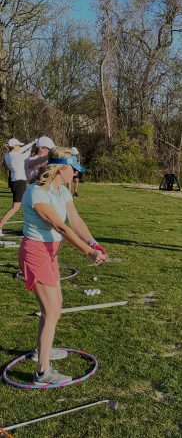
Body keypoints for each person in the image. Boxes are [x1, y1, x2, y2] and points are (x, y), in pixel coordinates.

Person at [19, 147, 108, 385]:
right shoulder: (37, 193)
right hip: (36, 252)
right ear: (61, 168)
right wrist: (88, 253)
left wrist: (94, 243)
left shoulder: (61, 191)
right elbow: (61, 227)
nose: (76, 174)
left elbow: (75, 220)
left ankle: (41, 352)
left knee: (56, 307)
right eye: (73, 169)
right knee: (51, 311)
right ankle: (42, 372)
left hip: (50, 253)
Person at [0, 138, 35, 236]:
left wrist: (32, 142)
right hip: (19, 183)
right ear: (14, 147)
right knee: (15, 207)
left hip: (16, 182)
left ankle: (29, 226)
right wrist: (32, 146)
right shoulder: (17, 157)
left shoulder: (7, 155)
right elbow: (26, 154)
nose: (19, 146)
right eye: (18, 145)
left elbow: (22, 149)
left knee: (28, 204)